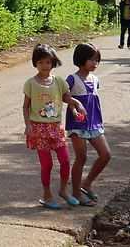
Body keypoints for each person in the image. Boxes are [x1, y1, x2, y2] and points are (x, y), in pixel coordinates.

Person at [23, 43, 86, 209]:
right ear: (35, 63)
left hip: (56, 128)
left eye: (48, 62)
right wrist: (27, 124)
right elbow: (25, 105)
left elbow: (67, 98)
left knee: (65, 159)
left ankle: (64, 190)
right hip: (38, 129)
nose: (44, 66)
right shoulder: (31, 83)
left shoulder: (59, 82)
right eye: (41, 62)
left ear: (53, 63)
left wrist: (76, 106)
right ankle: (47, 195)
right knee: (47, 164)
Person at [65, 42, 111, 206]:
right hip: (77, 124)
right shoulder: (72, 79)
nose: (95, 64)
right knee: (81, 157)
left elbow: (95, 102)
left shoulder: (95, 79)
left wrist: (101, 121)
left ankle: (87, 183)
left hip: (94, 123)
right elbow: (64, 95)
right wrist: (74, 106)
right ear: (81, 59)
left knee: (105, 154)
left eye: (97, 60)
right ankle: (76, 193)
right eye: (92, 60)